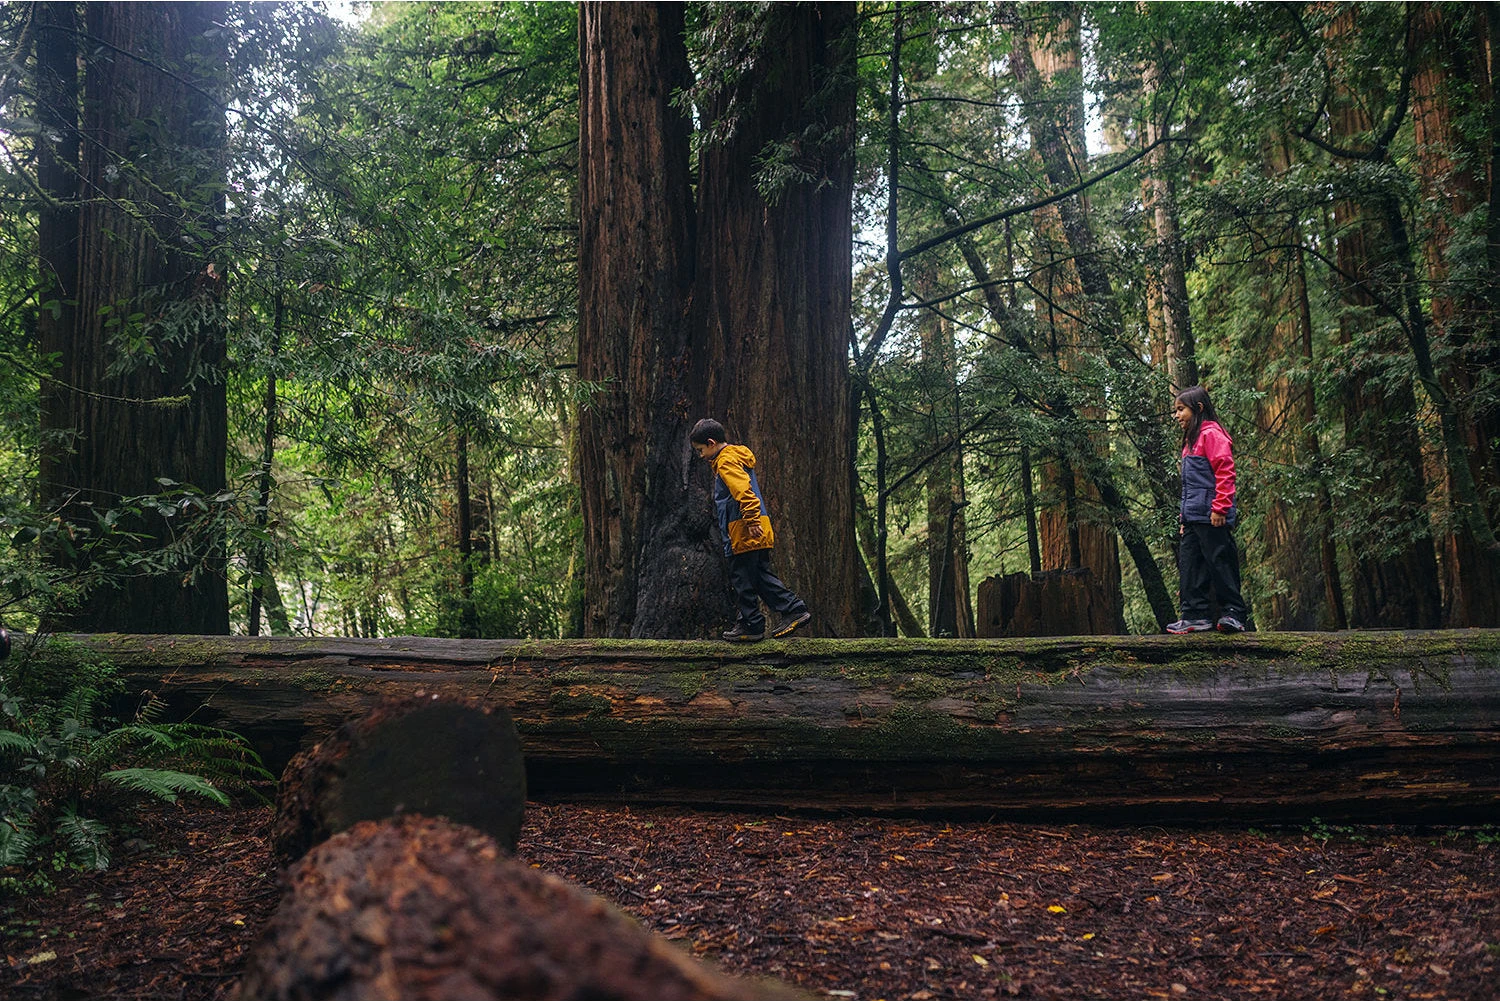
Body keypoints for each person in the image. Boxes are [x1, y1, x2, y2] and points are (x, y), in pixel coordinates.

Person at [689, 418, 812, 642]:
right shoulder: (735, 457)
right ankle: (768, 617)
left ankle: (764, 619)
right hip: (751, 528)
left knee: (745, 577)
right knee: (754, 577)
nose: (701, 456)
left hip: (745, 530)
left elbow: (744, 491)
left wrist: (752, 520)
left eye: (700, 450)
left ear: (711, 442)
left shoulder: (726, 461)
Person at [1166, 385, 1250, 634]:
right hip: (1193, 516)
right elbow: (1189, 485)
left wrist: (1221, 508)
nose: (1177, 416)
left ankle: (1233, 612)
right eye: (1176, 411)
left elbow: (1225, 471)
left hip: (1213, 515)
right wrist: (1184, 518)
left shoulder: (1212, 434)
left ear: (1198, 408)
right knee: (1191, 565)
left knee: (1220, 561)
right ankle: (1194, 615)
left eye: (1181, 410)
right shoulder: (1191, 440)